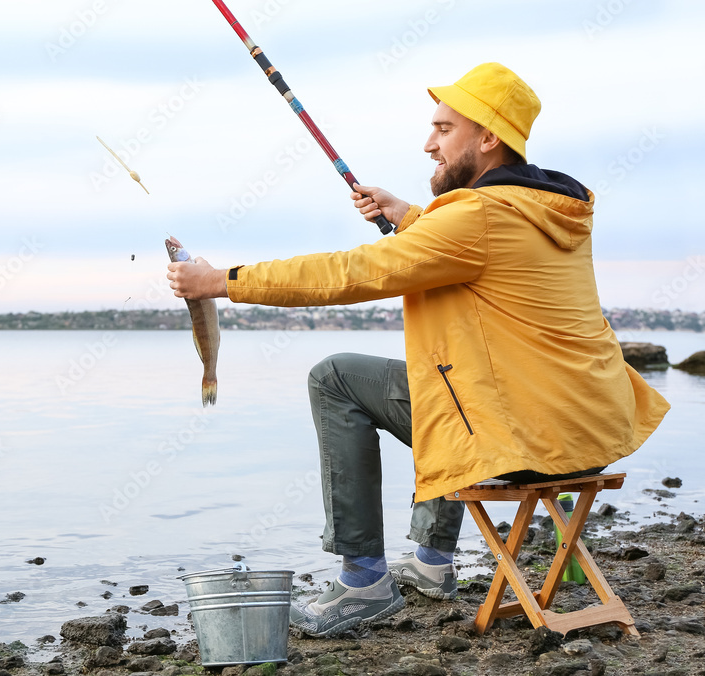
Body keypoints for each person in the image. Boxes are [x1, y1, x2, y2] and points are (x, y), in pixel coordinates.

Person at [166, 62, 670, 637]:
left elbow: (351, 272)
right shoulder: (544, 208)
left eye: (443, 129)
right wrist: (409, 216)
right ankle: (430, 563)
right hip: (590, 430)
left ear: (487, 138)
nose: (428, 143)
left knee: (337, 377)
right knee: (448, 374)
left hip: (531, 439)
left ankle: (364, 584)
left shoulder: (476, 217)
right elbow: (470, 246)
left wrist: (218, 281)